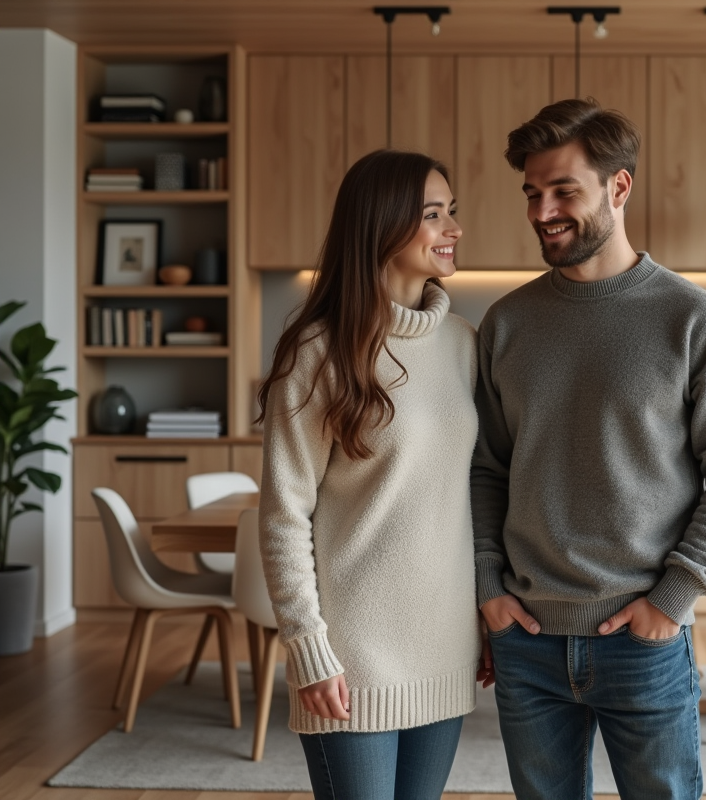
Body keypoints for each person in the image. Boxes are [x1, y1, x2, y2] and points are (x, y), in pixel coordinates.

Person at [473, 98, 706, 800]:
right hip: (525, 636)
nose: (542, 210)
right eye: (531, 193)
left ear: (619, 187)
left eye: (564, 190)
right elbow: (487, 470)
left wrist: (672, 600)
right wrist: (486, 587)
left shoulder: (695, 319)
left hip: (644, 638)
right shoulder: (506, 323)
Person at [257, 149, 483, 800]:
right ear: (381, 227)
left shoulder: (465, 344)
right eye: (434, 215)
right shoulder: (319, 353)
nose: (454, 229)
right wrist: (307, 647)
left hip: (443, 645)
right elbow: (283, 516)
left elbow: (467, 495)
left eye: (453, 212)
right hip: (351, 658)